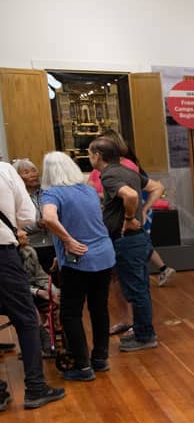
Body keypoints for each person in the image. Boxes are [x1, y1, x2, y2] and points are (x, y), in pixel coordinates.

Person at [40, 151, 116, 380]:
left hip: (79, 260)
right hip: (104, 254)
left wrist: (68, 241)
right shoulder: (89, 190)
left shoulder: (51, 193)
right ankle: (100, 358)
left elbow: (49, 218)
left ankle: (82, 366)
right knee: (99, 307)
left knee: (71, 313)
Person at [0, 161, 65, 411]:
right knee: (26, 319)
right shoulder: (5, 171)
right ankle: (36, 388)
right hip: (2, 253)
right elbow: (28, 215)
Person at [88, 137, 163, 352]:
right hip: (136, 240)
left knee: (136, 290)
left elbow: (129, 195)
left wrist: (130, 218)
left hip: (128, 241)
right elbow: (157, 187)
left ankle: (145, 336)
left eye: (90, 153)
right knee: (140, 288)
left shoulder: (110, 175)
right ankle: (143, 331)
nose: (89, 157)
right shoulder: (128, 171)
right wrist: (145, 208)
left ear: (98, 156)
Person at [17, 229, 58, 355]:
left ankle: (51, 334)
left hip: (30, 288)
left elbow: (40, 275)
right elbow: (15, 286)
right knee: (28, 305)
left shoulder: (30, 251)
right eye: (20, 232)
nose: (25, 233)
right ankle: (42, 339)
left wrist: (52, 290)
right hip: (15, 293)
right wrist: (38, 292)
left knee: (58, 296)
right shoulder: (8, 258)